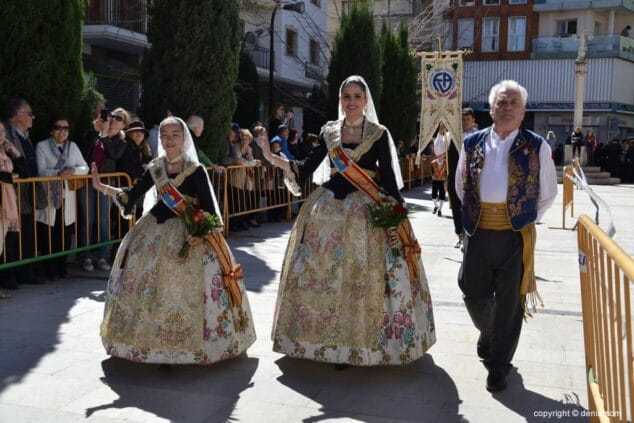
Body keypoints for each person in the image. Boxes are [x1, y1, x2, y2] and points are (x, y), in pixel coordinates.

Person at [256, 75, 435, 366]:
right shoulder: (330, 132)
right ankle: (325, 338)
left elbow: (388, 177)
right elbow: (306, 168)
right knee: (324, 275)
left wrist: (397, 214)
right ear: (341, 101)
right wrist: (270, 157)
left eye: (356, 96)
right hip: (327, 211)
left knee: (360, 278)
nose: (351, 102)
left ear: (365, 101)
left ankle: (359, 339)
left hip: (366, 210)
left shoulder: (378, 133)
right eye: (345, 97)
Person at [93, 116, 256, 364]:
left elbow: (211, 212)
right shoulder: (156, 168)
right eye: (164, 136)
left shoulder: (196, 170)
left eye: (175, 135)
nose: (169, 140)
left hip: (190, 235)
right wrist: (102, 187)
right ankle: (149, 342)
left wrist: (199, 234)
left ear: (184, 139)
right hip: (152, 232)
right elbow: (132, 195)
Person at [455, 80, 558, 392]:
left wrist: (525, 218)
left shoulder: (537, 145)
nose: (507, 106)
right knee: (472, 291)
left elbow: (549, 192)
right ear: (491, 108)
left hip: (515, 237)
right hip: (478, 230)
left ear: (524, 111)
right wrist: (475, 214)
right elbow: (461, 186)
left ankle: (499, 366)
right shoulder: (471, 142)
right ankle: (489, 334)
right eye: (502, 102)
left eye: (514, 102)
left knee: (510, 303)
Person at [35, 117, 89, 280]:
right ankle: (50, 270)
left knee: (64, 233)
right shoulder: (42, 146)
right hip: (49, 196)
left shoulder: (72, 146)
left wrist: (72, 171)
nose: (62, 132)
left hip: (67, 196)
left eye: (65, 128)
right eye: (58, 128)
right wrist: (58, 173)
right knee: (49, 233)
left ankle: (61, 268)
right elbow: (41, 171)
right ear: (52, 130)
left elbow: (84, 167)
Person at [77, 107, 128, 272]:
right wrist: (95, 131)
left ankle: (103, 256)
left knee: (104, 220)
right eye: (112, 116)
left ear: (123, 125)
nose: (113, 119)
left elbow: (114, 155)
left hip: (106, 183)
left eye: (119, 118)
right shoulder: (96, 134)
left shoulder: (121, 141)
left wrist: (105, 135)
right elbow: (83, 150)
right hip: (87, 181)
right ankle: (85, 257)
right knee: (87, 219)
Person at [2, 98, 46, 286]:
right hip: (9, 194)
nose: (33, 117)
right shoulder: (7, 136)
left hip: (25, 193)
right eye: (30, 113)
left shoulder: (25, 135)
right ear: (19, 115)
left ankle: (25, 272)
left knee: (26, 234)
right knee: (10, 237)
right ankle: (8, 276)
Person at [447, 108, 477, 249]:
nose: (465, 122)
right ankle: (460, 235)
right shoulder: (452, 135)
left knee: (470, 207)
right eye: (463, 119)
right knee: (456, 206)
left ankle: (471, 235)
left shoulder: (479, 137)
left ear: (473, 120)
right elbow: (440, 151)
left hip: (472, 178)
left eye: (467, 119)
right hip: (454, 176)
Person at [0, 121, 21, 295]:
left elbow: (25, 172)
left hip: (6, 204)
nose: (0, 135)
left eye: (2, 131)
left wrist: (14, 151)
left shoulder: (6, 154)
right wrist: (10, 176)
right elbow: (6, 176)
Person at [431, 123, 449, 217]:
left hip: (442, 180)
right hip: (435, 179)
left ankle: (440, 210)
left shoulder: (447, 162)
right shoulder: (434, 162)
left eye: (442, 154)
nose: (440, 155)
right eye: (439, 154)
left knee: (442, 195)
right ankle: (436, 206)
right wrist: (441, 130)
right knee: (434, 195)